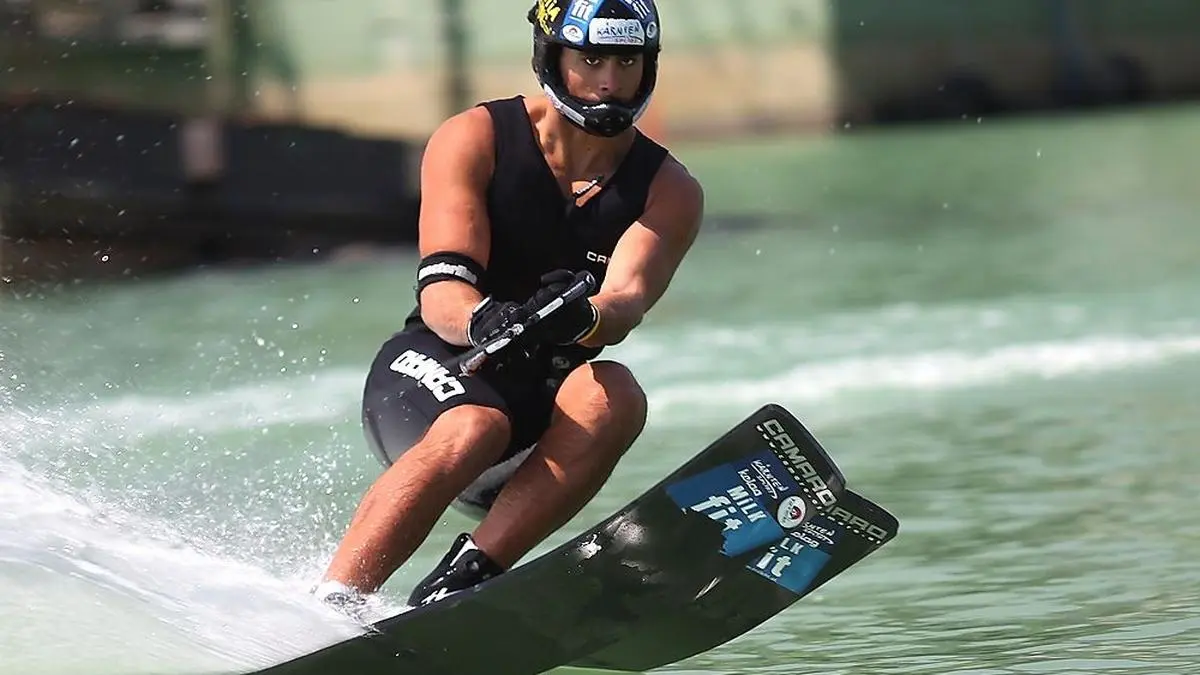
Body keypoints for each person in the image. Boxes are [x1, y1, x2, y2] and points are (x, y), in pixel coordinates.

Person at [313, 0, 704, 612]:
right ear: (553, 58)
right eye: (591, 59)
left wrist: (585, 317)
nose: (609, 81)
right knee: (475, 425)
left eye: (626, 61)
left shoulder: (670, 190)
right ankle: (331, 603)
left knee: (616, 393)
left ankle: (462, 581)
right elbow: (442, 290)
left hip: (536, 413)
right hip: (433, 377)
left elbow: (627, 299)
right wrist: (485, 318)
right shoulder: (474, 137)